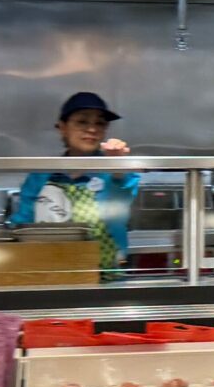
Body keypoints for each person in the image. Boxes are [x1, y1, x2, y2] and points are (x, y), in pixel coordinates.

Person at [8, 92, 138, 277]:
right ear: (62, 128)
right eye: (82, 122)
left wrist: (117, 165)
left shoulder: (113, 171)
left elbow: (122, 194)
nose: (92, 129)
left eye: (99, 123)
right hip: (48, 274)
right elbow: (22, 224)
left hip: (105, 277)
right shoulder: (41, 175)